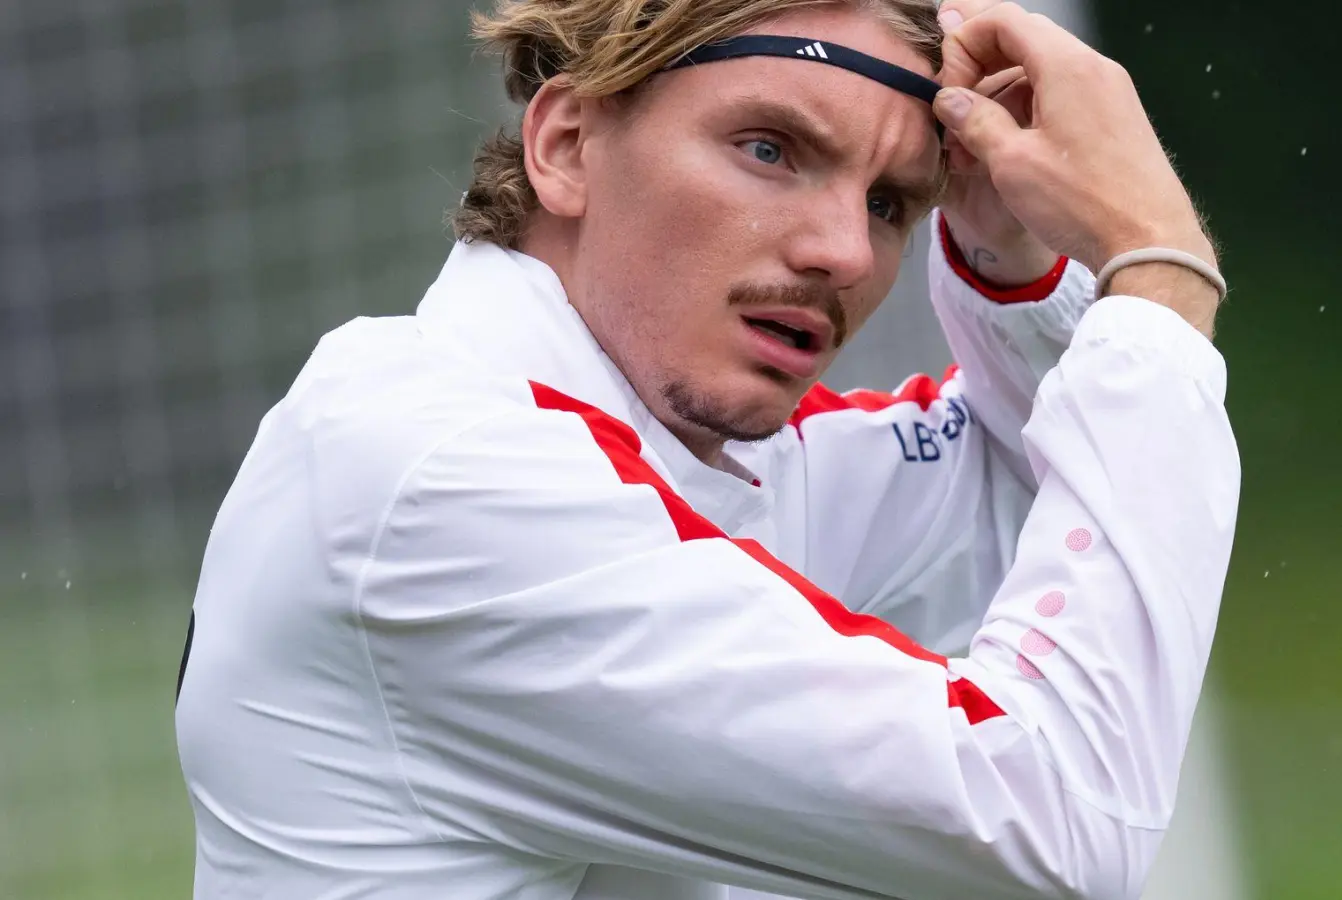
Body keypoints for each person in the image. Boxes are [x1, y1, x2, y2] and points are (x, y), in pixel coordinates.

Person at [173, 0, 1241, 897]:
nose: (843, 251)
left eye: (888, 203)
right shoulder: (448, 478)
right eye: (769, 149)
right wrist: (1157, 275)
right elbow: (1049, 818)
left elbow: (1030, 494)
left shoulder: (651, 453)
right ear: (566, 145)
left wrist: (1008, 251)